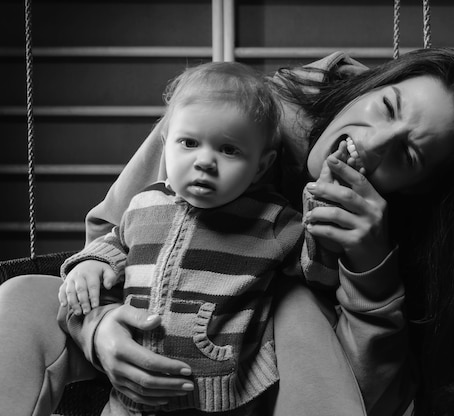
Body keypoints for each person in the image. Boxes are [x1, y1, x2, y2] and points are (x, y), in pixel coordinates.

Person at [0, 48, 454, 416]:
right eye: (387, 107)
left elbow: (364, 396)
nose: (372, 144)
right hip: (147, 316)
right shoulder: (235, 115)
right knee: (22, 296)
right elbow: (117, 229)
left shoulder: (400, 239)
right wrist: (98, 330)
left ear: (417, 189)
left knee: (296, 304)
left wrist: (369, 265)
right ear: (372, 85)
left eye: (407, 154)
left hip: (257, 373)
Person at [56, 60, 337, 415]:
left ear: (261, 167)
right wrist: (90, 263)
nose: (205, 161)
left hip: (225, 396)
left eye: (229, 150)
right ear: (166, 143)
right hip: (129, 395)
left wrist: (321, 214)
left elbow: (320, 272)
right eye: (189, 143)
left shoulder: (272, 220)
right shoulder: (144, 204)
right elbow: (116, 243)